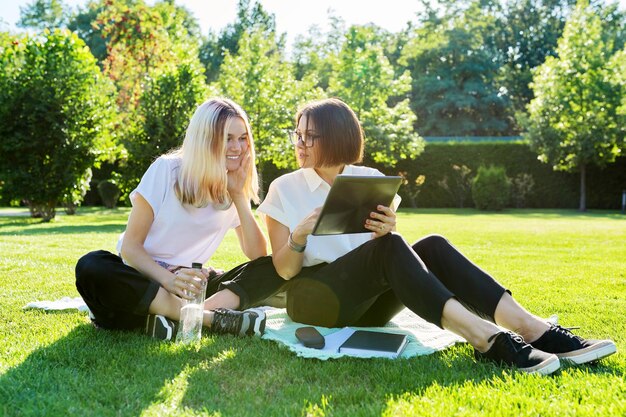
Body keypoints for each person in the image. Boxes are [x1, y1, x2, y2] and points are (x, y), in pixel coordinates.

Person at [256, 98, 616, 375]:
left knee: (432, 245)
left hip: (366, 304)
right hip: (314, 302)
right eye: (297, 134)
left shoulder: (367, 178)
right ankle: (484, 337)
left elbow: (391, 258)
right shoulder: (284, 188)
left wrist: (385, 231)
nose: (298, 142)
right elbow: (285, 270)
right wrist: (299, 235)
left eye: (308, 136)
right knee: (392, 247)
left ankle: (530, 326)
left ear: (335, 138)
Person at [75, 98, 286, 340]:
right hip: (143, 278)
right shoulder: (167, 170)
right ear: (205, 138)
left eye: (242, 138)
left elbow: (257, 254)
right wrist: (170, 281)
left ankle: (171, 319)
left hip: (189, 287)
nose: (237, 147)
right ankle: (209, 318)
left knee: (273, 267)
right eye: (227, 138)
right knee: (91, 265)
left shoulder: (232, 184)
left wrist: (239, 196)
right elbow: (132, 249)